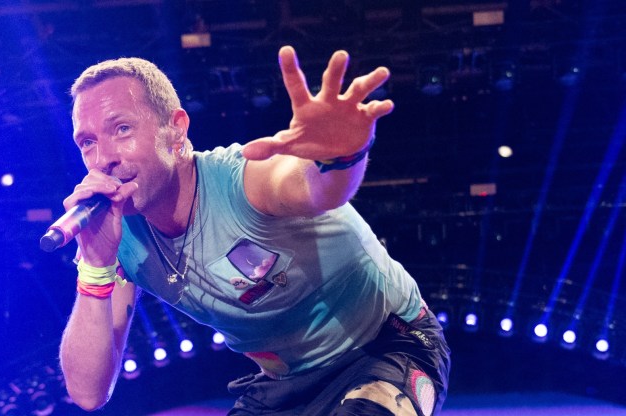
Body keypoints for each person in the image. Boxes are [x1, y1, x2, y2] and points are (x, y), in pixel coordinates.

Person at [58, 45, 450, 416]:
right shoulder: (116, 238)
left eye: (122, 129)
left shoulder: (243, 181)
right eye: (87, 142)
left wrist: (341, 156)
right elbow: (88, 393)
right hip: (285, 384)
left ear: (175, 129)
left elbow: (318, 186)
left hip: (390, 346)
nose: (103, 158)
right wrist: (94, 266)